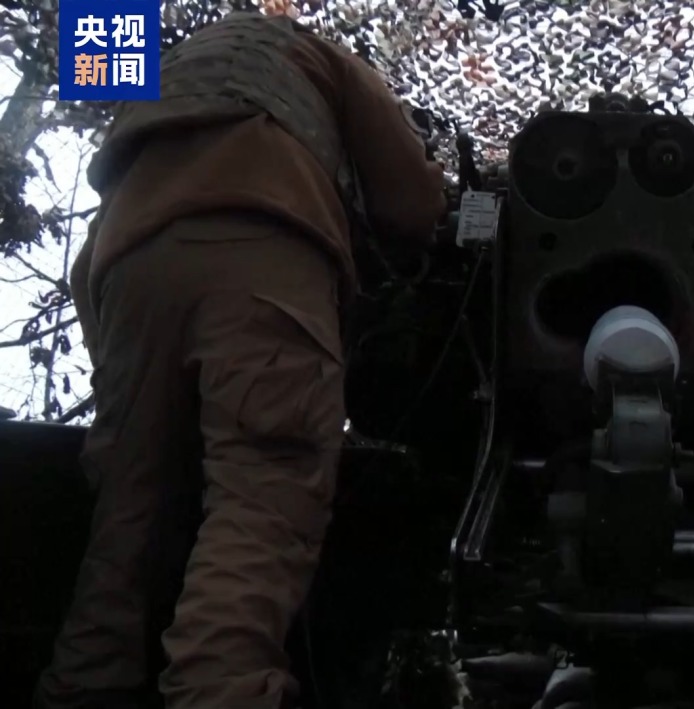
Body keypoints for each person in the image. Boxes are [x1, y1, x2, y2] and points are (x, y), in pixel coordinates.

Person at [34, 8, 447, 709]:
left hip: (126, 271)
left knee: (128, 513)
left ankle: (84, 685)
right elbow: (411, 205)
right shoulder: (318, 54)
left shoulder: (158, 78)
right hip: (262, 245)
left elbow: (88, 270)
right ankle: (218, 688)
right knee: (262, 496)